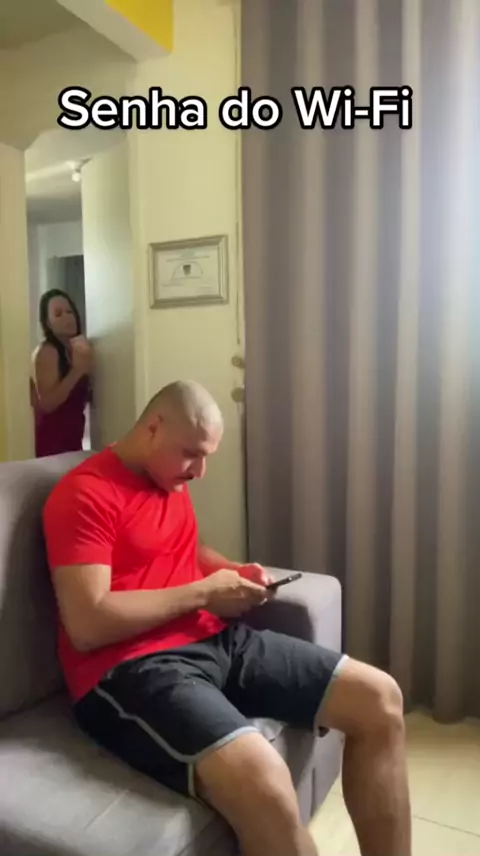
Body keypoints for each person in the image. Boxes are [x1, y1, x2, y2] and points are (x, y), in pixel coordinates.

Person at [43, 381, 411, 856]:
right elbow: (87, 623)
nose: (200, 471)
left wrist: (233, 573)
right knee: (264, 781)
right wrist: (203, 593)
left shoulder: (167, 477)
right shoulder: (85, 493)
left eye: (206, 456)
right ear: (154, 428)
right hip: (132, 670)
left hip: (215, 639)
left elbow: (183, 551)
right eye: (192, 454)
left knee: (380, 699)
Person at [31, 288, 93, 458]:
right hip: (52, 444)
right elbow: (47, 403)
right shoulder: (47, 351)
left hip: (73, 440)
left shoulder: (75, 350)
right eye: (58, 314)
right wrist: (77, 371)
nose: (67, 317)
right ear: (48, 323)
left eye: (69, 312)